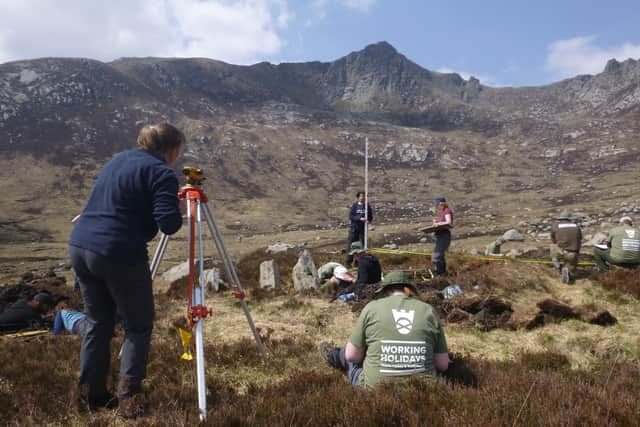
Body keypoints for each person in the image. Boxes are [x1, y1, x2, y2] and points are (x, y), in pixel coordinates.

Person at [68, 123, 185, 417]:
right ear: (171, 150)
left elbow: (115, 201)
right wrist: (175, 203)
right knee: (138, 324)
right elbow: (169, 224)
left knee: (98, 322)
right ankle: (129, 399)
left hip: (81, 245)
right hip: (118, 252)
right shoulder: (161, 173)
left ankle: (91, 396)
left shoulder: (118, 160)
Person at [319, 271, 449, 388]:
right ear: (408, 290)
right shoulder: (428, 311)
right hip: (424, 389)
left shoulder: (372, 308)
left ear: (385, 291)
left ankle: (333, 355)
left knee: (352, 351)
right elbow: (443, 365)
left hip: (375, 389)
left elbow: (351, 356)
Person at [550, 211, 582, 284]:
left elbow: (553, 240)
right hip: (572, 253)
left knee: (552, 246)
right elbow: (580, 238)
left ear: (560, 218)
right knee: (570, 264)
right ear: (569, 218)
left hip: (559, 252)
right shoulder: (576, 226)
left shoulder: (555, 226)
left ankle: (557, 266)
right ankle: (567, 270)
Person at [345, 192, 373, 266]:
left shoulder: (367, 206)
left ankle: (359, 262)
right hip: (354, 228)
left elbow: (370, 216)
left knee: (362, 245)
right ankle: (348, 261)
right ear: (358, 198)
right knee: (351, 245)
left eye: (364, 196)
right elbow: (351, 216)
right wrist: (359, 218)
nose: (363, 198)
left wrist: (368, 220)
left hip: (363, 229)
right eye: (361, 196)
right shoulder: (355, 206)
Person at [432, 197, 453, 276]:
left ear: (441, 204)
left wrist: (438, 224)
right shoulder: (444, 212)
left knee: (436, 257)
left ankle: (439, 274)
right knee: (440, 257)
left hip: (444, 236)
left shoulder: (447, 211)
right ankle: (442, 274)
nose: (436, 207)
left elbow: (449, 222)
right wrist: (436, 222)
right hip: (440, 236)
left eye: (437, 205)